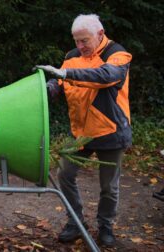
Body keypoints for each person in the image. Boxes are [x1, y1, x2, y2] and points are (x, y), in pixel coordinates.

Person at [35, 14, 132, 247]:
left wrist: (67, 74)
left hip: (111, 132)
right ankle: (76, 222)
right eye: (76, 41)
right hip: (80, 134)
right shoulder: (71, 57)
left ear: (100, 34)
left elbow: (104, 76)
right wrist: (45, 89)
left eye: (84, 41)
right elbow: (59, 83)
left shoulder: (118, 55)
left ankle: (105, 226)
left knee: (109, 187)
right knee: (64, 174)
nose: (79, 46)